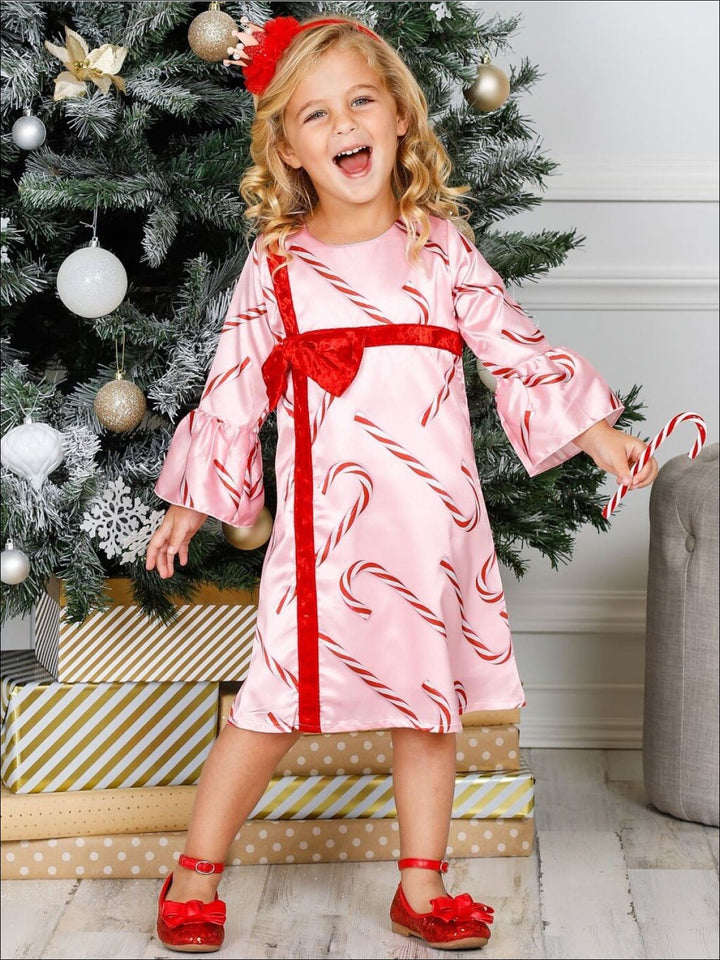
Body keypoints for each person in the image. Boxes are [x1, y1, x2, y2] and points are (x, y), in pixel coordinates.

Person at [145, 13, 658, 954]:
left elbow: (513, 347)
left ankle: (421, 885)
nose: (343, 124)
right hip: (325, 540)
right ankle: (195, 872)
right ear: (287, 149)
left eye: (360, 101)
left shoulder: (439, 246)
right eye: (315, 114)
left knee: (427, 706)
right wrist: (190, 503)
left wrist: (599, 436)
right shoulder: (279, 264)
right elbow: (233, 389)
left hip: (429, 527)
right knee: (272, 705)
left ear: (398, 117)